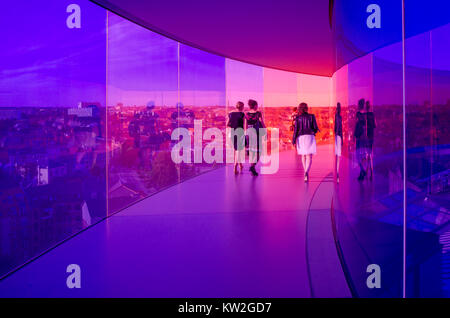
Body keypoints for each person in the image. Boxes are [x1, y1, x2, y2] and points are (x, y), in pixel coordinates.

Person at [292, 102, 319, 182]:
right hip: (309, 136)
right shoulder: (312, 116)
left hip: (301, 137)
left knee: (303, 156)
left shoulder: (298, 118)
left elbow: (296, 130)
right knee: (309, 156)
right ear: (307, 108)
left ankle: (305, 172)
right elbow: (315, 128)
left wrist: (294, 140)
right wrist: (314, 132)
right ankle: (307, 172)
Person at [245, 99, 265, 176]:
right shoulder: (258, 113)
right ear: (255, 105)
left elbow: (245, 125)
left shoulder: (246, 114)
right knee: (259, 151)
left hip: (249, 133)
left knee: (252, 152)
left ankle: (252, 167)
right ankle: (252, 166)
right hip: (256, 132)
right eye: (257, 105)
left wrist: (246, 134)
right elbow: (261, 122)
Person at [227, 101, 246, 174]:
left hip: (233, 132)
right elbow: (245, 125)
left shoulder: (231, 114)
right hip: (240, 132)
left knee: (236, 150)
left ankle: (240, 165)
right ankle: (235, 166)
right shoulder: (242, 114)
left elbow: (227, 124)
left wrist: (233, 126)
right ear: (242, 107)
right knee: (239, 150)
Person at [354, 98, 368, 181]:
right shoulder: (366, 115)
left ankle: (362, 171)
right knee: (362, 156)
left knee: (357, 156)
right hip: (364, 138)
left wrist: (355, 135)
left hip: (359, 137)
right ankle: (362, 172)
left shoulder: (358, 114)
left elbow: (357, 126)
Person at [365, 100, 376, 180]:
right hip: (372, 136)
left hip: (367, 136)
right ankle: (369, 170)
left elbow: (364, 127)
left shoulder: (365, 115)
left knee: (368, 154)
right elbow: (375, 125)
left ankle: (370, 170)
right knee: (369, 154)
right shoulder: (372, 114)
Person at [334, 102, 343, 183]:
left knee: (337, 156)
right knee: (338, 156)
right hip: (339, 136)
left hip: (337, 136)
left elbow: (336, 127)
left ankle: (337, 173)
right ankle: (337, 172)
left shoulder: (336, 116)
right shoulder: (339, 117)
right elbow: (340, 128)